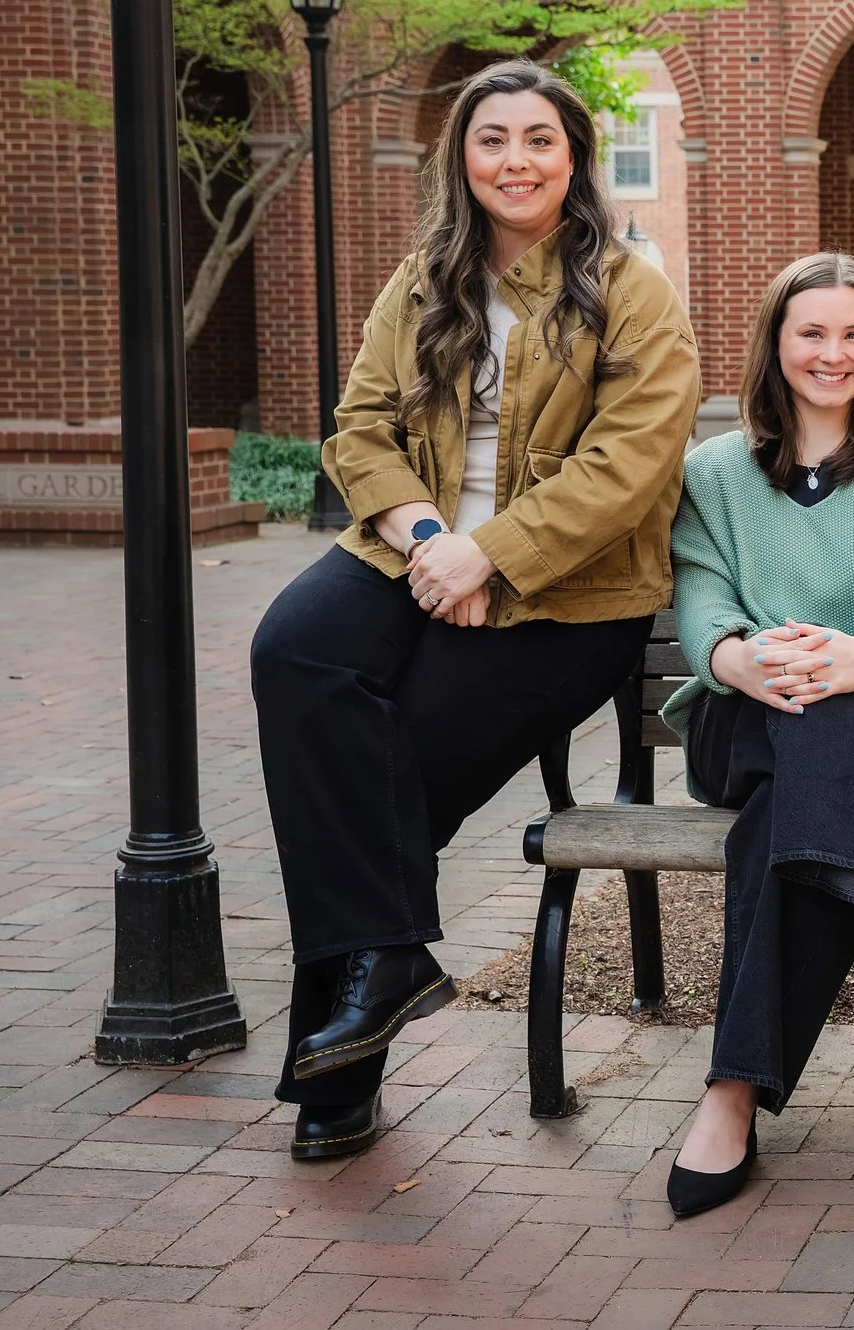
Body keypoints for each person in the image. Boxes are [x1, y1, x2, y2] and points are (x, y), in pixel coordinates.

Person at [251, 59, 700, 1162]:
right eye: (492, 138)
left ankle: (337, 1075)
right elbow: (357, 428)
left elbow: (628, 467)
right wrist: (424, 537)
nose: (515, 160)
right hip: (414, 543)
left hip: (569, 591)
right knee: (295, 650)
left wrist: (489, 553)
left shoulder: (630, 287)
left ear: (574, 156)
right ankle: (387, 968)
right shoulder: (423, 279)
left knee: (380, 775)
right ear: (463, 155)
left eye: (539, 139)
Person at [658, 251, 854, 1218]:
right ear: (777, 343)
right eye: (812, 332)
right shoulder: (714, 471)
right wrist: (740, 661)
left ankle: (732, 1095)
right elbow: (701, 595)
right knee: (804, 704)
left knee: (789, 809)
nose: (832, 352)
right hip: (744, 715)